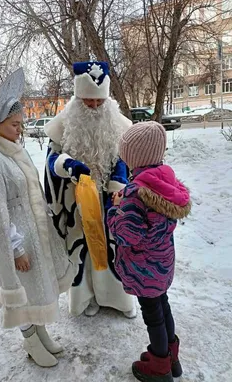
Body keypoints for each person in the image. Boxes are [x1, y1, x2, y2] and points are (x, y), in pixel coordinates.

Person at [0, 68, 75, 368]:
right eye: (15, 124)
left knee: (36, 290)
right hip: (16, 245)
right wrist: (16, 249)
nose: (20, 130)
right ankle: (31, 341)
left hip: (34, 236)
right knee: (20, 296)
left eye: (21, 124)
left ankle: (40, 333)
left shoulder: (14, 154)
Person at [44, 61, 137, 318]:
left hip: (111, 198)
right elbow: (51, 161)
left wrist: (118, 183)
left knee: (113, 248)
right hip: (77, 201)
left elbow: (125, 158)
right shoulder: (63, 124)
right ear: (77, 98)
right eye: (88, 102)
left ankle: (119, 300)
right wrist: (68, 165)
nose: (94, 107)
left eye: (99, 102)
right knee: (82, 249)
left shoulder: (119, 124)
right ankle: (88, 298)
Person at [107, 121, 191, 382]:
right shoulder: (166, 180)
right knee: (163, 306)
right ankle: (171, 357)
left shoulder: (135, 193)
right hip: (163, 265)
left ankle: (159, 365)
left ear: (134, 157)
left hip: (144, 269)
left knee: (153, 316)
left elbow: (126, 235)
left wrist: (116, 210)